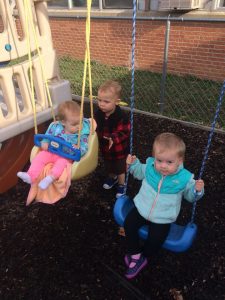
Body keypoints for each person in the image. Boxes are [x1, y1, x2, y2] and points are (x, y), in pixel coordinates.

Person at [124, 132, 204, 279]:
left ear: (180, 160)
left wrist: (196, 191)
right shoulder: (149, 167)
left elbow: (190, 197)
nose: (163, 166)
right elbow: (138, 173)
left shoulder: (185, 179)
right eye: (159, 160)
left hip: (163, 218)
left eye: (169, 162)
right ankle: (135, 254)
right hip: (142, 209)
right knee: (129, 223)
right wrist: (133, 164)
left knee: (156, 240)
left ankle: (144, 256)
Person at [17, 101, 90, 190]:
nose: (79, 126)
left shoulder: (81, 134)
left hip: (65, 156)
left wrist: (79, 149)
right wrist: (45, 142)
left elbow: (84, 147)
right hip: (51, 151)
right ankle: (30, 176)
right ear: (63, 122)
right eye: (75, 124)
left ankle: (50, 178)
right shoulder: (56, 127)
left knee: (62, 164)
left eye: (80, 122)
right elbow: (48, 136)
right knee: (39, 157)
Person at [94, 80, 130, 198]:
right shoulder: (98, 114)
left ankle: (121, 184)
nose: (101, 104)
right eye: (99, 100)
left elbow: (124, 131)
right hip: (105, 148)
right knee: (109, 165)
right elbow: (94, 125)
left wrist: (113, 138)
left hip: (118, 149)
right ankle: (112, 177)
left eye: (106, 101)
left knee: (120, 168)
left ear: (117, 102)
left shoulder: (121, 117)